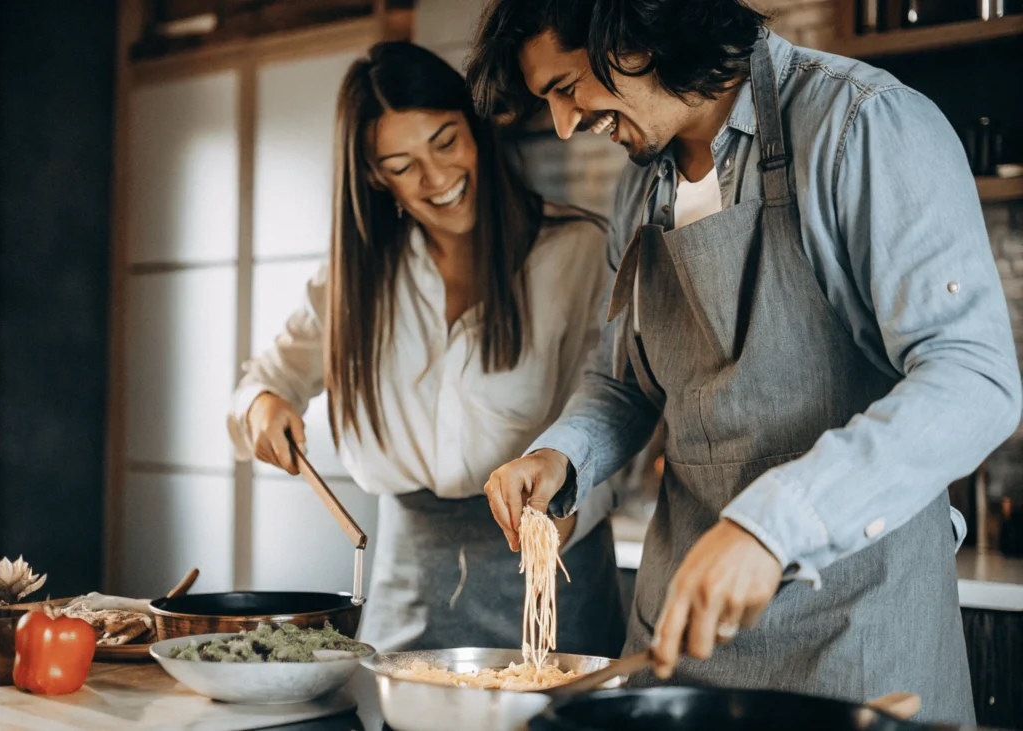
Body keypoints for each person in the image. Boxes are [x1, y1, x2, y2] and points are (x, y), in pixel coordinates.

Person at [466, 0, 1022, 723]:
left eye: (568, 87)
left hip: (856, 640)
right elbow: (622, 381)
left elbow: (973, 379)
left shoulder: (864, 124)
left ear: (635, 33)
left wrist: (771, 523)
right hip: (681, 646)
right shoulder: (642, 184)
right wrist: (562, 455)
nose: (568, 123)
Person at [227, 40, 626, 656]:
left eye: (445, 141)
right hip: (410, 585)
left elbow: (612, 404)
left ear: (476, 128)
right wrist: (263, 406)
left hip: (551, 575)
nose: (437, 178)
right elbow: (264, 380)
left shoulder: (574, 250)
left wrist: (560, 508)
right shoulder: (358, 279)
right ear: (372, 174)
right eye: (402, 163)